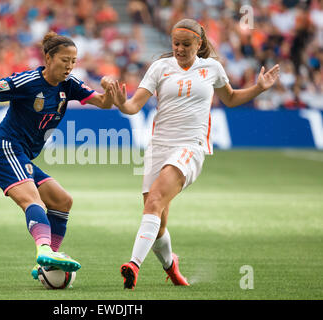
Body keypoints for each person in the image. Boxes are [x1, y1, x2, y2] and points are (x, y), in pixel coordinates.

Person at [104, 18, 280, 289]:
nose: (180, 48)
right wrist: (119, 103)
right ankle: (171, 265)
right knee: (157, 221)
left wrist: (258, 88)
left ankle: (133, 265)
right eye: (176, 43)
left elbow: (230, 99)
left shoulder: (212, 68)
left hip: (190, 146)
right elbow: (133, 106)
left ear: (199, 43)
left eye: (186, 44)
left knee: (155, 201)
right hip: (158, 147)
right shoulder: (159, 68)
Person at [0, 31, 114, 279]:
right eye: (65, 60)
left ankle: (47, 261)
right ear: (48, 58)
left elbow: (103, 102)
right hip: (5, 149)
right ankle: (43, 250)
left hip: (22, 156)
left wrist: (113, 93)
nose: (70, 66)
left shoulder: (69, 85)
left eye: (74, 61)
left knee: (62, 201)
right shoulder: (27, 82)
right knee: (34, 201)